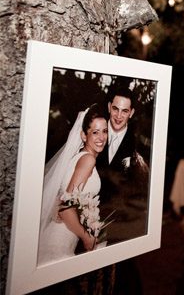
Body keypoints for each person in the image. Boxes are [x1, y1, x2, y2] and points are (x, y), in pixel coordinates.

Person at [38, 104, 108, 265]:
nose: (101, 137)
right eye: (95, 132)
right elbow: (65, 208)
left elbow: (63, 199)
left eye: (104, 131)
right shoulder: (88, 160)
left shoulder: (78, 157)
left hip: (61, 234)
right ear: (84, 135)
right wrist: (86, 236)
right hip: (59, 241)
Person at [96, 86, 149, 245]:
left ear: (131, 113)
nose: (119, 116)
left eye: (124, 111)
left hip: (124, 220)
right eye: (115, 109)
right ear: (109, 107)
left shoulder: (138, 144)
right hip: (91, 209)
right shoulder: (95, 132)